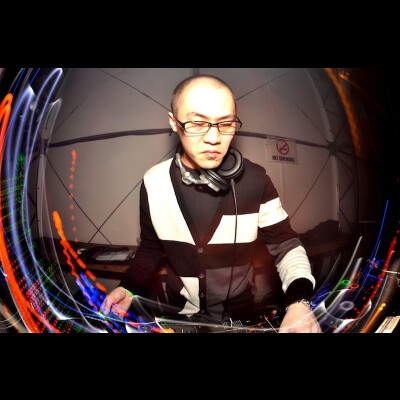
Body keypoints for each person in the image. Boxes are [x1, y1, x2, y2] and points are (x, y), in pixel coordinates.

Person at [100, 74, 321, 333]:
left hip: (240, 317)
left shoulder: (255, 180)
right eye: (197, 122)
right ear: (173, 122)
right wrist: (128, 287)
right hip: (178, 316)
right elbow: (150, 247)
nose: (214, 138)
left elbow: (286, 245)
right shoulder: (153, 182)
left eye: (225, 123)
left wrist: (299, 302)